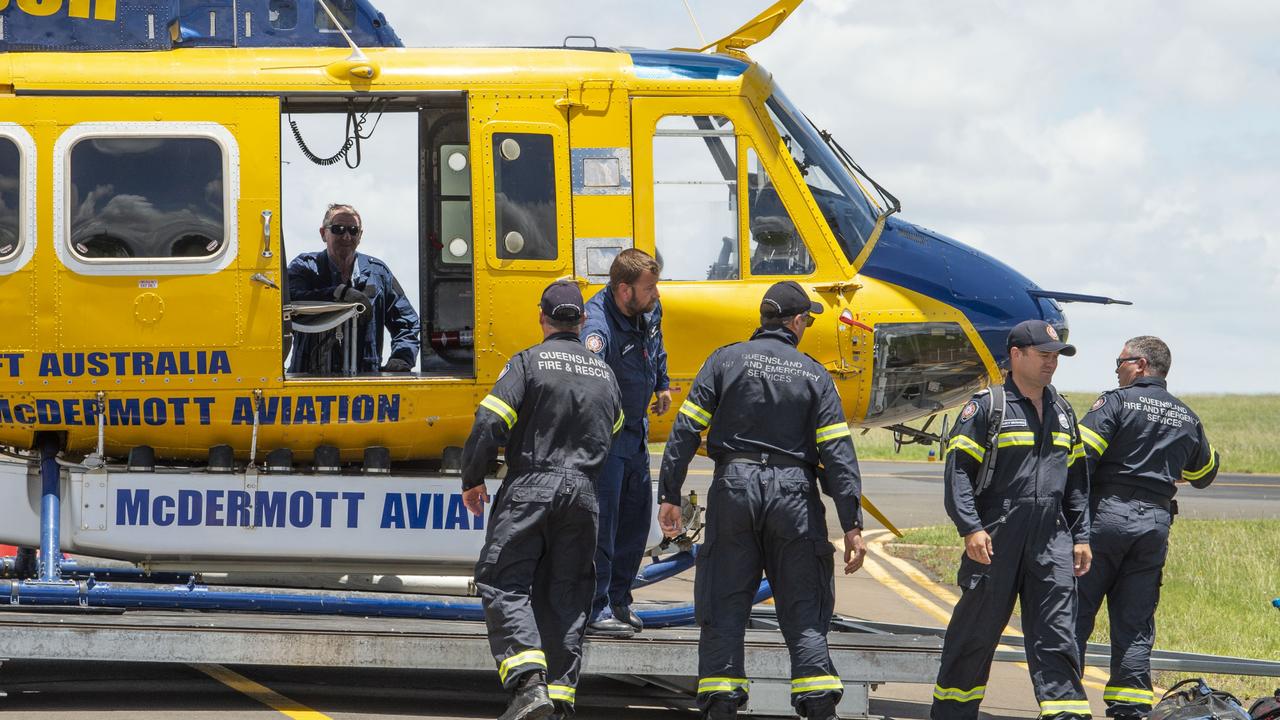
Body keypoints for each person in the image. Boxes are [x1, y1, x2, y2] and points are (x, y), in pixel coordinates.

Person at [657, 281, 866, 720]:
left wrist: (670, 494)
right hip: (794, 493)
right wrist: (852, 524)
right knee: (804, 608)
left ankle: (720, 706)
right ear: (794, 322)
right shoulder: (815, 375)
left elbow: (684, 431)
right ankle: (819, 708)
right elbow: (838, 456)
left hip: (734, 487)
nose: (806, 326)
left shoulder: (724, 360)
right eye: (807, 320)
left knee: (724, 602)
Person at [460, 281, 624, 720]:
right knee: (566, 598)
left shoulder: (527, 364)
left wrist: (473, 477)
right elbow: (615, 425)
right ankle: (559, 703)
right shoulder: (605, 374)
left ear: (542, 317)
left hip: (532, 485)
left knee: (504, 581)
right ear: (583, 320)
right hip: (585, 493)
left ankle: (529, 686)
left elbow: (489, 420)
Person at [931, 319, 1092, 720]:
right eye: (1043, 355)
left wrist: (1081, 536)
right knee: (975, 635)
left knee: (1058, 635)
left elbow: (1076, 482)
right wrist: (971, 527)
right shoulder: (987, 407)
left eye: (1055, 356)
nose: (1051, 363)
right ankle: (953, 713)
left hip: (1051, 537)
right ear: (1016, 355)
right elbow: (959, 474)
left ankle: (1065, 713)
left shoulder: (1064, 411)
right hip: (997, 534)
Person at [1075, 336, 1219, 720]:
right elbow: (1204, 473)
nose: (1116, 370)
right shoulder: (1187, 416)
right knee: (1135, 621)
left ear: (1139, 364)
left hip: (1104, 518)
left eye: (1119, 362)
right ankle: (1130, 707)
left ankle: (1065, 703)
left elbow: (1079, 456)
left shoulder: (1116, 402)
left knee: (1076, 612)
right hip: (1154, 525)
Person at [580, 248, 670, 637]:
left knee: (635, 523)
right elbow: (591, 383)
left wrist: (662, 384)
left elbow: (656, 345)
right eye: (649, 288)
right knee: (605, 526)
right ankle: (595, 606)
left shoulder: (649, 309)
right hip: (608, 439)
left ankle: (619, 600)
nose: (657, 294)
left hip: (637, 434)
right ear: (623, 290)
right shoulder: (596, 326)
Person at [287, 203, 420, 374]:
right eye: (339, 229)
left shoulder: (378, 273)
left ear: (360, 235)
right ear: (323, 233)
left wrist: (402, 358)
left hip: (364, 384)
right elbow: (290, 300)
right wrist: (339, 293)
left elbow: (407, 322)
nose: (347, 236)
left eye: (353, 230)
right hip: (310, 385)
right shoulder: (304, 267)